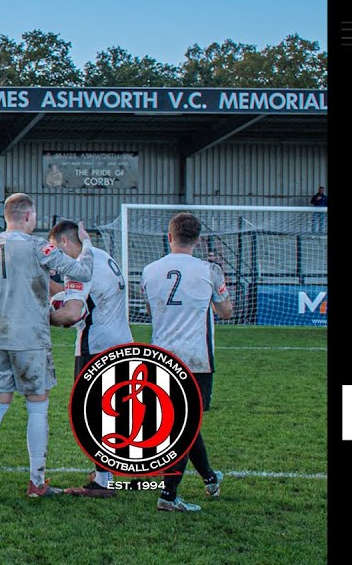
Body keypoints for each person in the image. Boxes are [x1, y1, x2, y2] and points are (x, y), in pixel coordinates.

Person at [0, 194, 94, 498]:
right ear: (28, 216)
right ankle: (37, 481)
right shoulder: (38, 246)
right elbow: (83, 272)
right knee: (37, 405)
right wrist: (86, 245)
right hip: (30, 338)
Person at [140, 212, 233, 513]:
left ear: (169, 237)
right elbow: (227, 312)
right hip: (196, 359)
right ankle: (168, 496)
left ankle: (209, 479)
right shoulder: (210, 270)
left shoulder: (149, 271)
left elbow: (150, 311)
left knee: (183, 423)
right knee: (186, 426)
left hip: (161, 357)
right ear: (197, 240)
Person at [45, 221, 132, 498]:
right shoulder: (100, 256)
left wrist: (39, 319)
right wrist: (43, 281)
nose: (56, 260)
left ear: (65, 243)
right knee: (110, 412)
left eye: (56, 251)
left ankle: (104, 480)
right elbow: (76, 294)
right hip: (120, 342)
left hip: (96, 347)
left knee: (91, 415)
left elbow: (71, 314)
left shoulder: (80, 266)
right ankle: (107, 471)